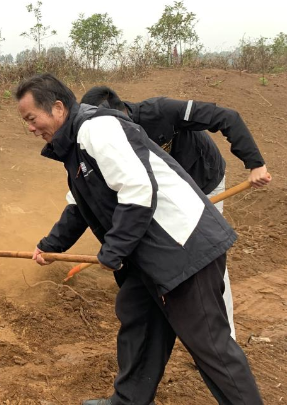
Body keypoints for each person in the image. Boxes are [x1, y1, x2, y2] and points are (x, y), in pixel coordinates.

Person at [17, 73, 263, 405]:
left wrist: (114, 250)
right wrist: (50, 245)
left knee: (209, 344)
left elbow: (138, 190)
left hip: (182, 247)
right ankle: (128, 401)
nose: (30, 128)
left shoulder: (96, 129)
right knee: (140, 322)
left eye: (32, 118)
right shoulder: (75, 144)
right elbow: (79, 205)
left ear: (58, 108)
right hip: (148, 253)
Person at [81, 85, 271, 339]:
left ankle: (226, 337)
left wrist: (256, 164)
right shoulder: (102, 140)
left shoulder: (161, 111)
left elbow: (227, 117)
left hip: (203, 182)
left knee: (208, 254)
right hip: (164, 193)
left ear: (120, 113)